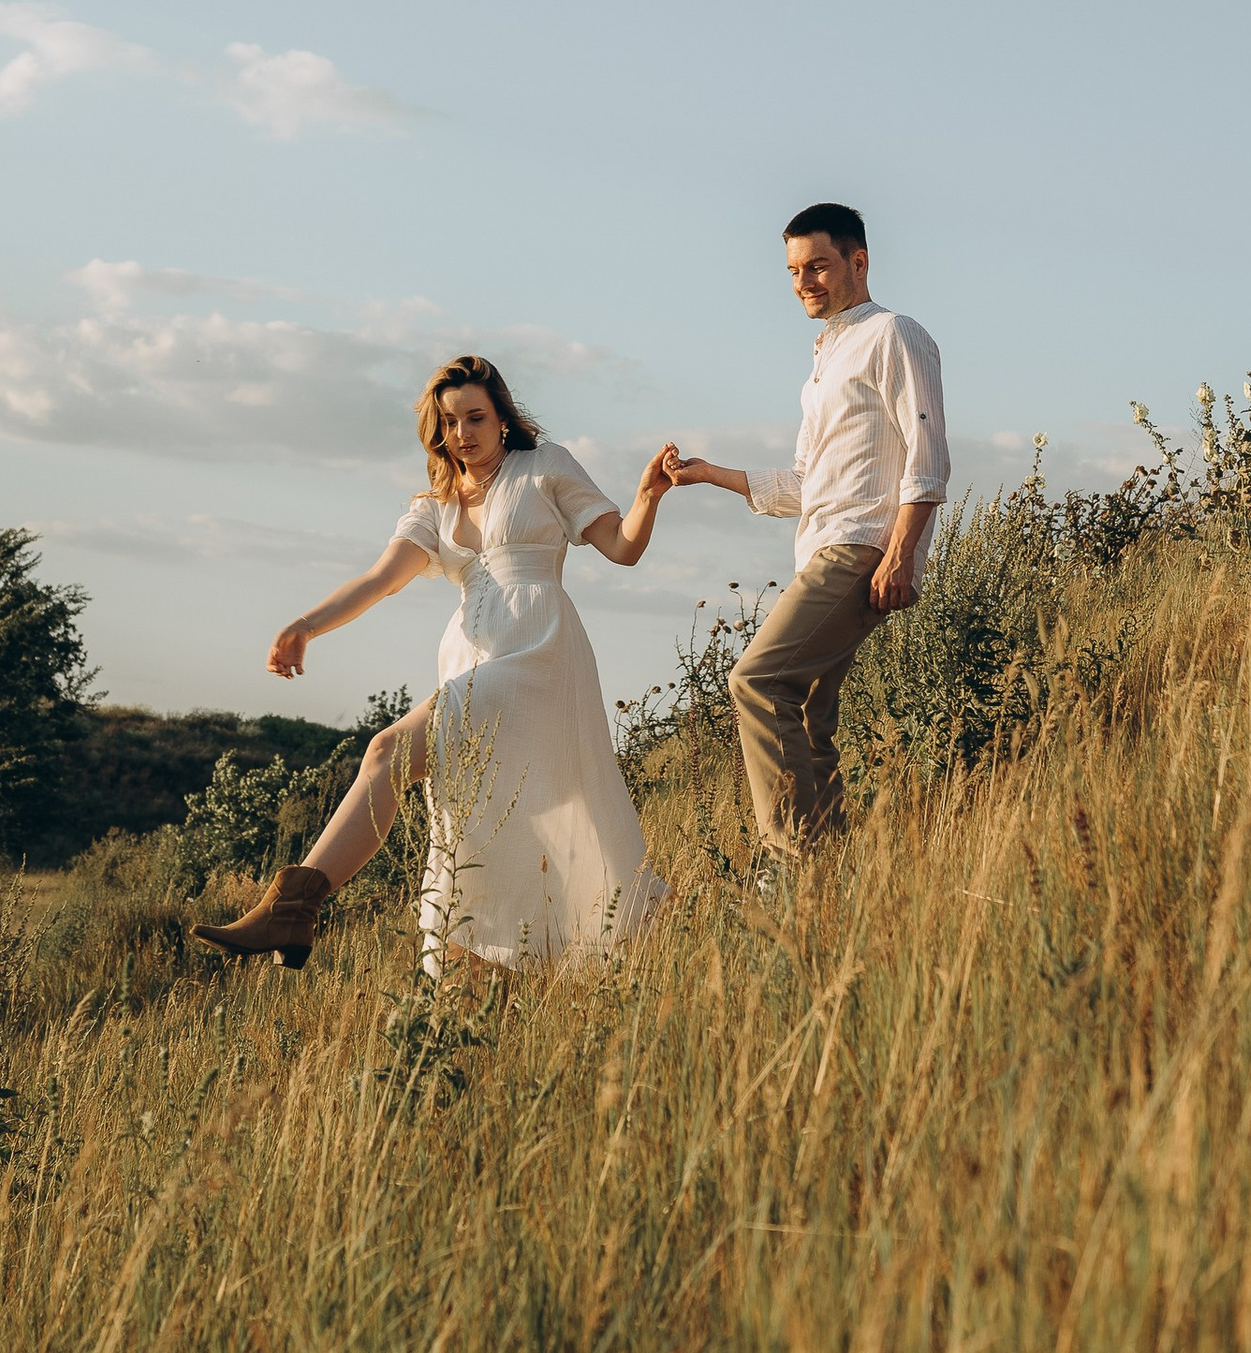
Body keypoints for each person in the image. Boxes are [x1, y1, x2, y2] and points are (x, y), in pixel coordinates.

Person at [193, 356, 677, 976]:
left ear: (503, 417)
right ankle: (483, 970)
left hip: (538, 654)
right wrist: (306, 625)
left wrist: (646, 497)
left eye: (476, 417)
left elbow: (623, 548)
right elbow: (379, 580)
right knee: (469, 819)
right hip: (468, 659)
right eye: (449, 423)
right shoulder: (433, 505)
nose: (463, 434)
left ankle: (295, 906)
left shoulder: (544, 469)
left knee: (387, 752)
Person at [667, 204, 947, 878]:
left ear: (859, 261)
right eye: (794, 270)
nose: (804, 281)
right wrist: (710, 475)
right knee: (810, 725)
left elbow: (928, 455)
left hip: (860, 547)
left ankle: (788, 867)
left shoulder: (894, 334)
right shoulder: (823, 359)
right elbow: (803, 482)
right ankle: (830, 886)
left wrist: (901, 553)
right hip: (820, 544)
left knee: (758, 680)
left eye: (817, 265)